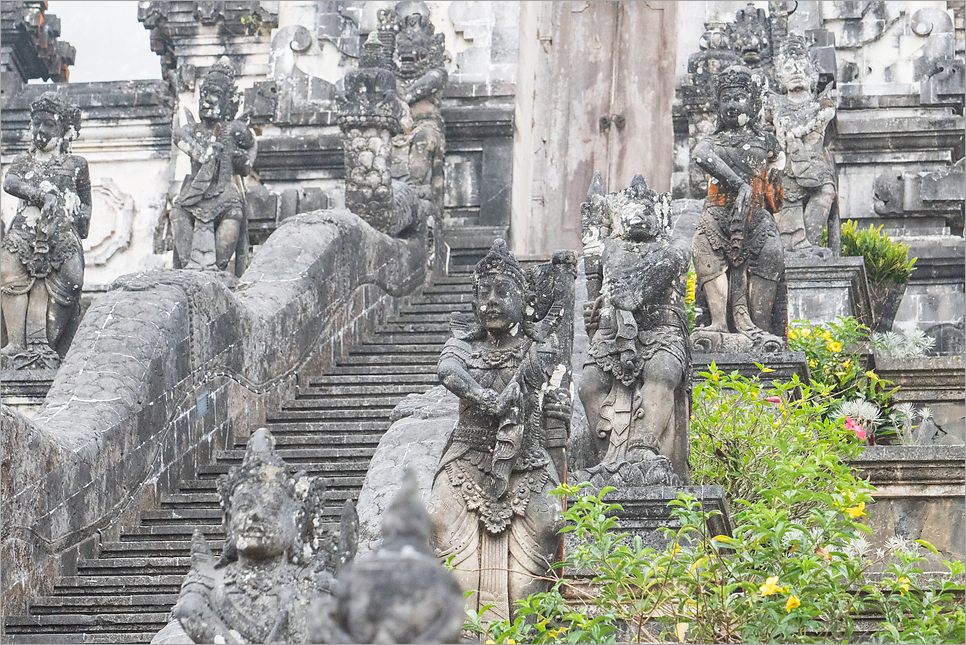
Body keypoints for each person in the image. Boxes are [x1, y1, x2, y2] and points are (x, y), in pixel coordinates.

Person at [427, 239, 570, 623]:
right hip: (467, 457)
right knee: (437, 517)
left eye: (502, 291)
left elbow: (551, 383)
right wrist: (482, 397)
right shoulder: (462, 345)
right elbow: (447, 372)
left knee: (550, 523)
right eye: (483, 292)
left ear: (524, 302)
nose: (490, 300)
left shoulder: (538, 348)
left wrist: (559, 412)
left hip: (526, 458)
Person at [578, 175, 690, 485]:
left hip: (661, 328)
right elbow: (602, 295)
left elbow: (662, 271)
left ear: (660, 216)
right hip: (612, 333)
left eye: (646, 209)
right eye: (630, 208)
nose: (638, 215)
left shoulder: (675, 246)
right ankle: (607, 458)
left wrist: (626, 297)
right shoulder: (610, 248)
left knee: (662, 372)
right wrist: (597, 313)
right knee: (589, 384)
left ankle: (644, 447)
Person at [691, 65, 786, 346]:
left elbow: (775, 195)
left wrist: (770, 181)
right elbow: (700, 155)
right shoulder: (711, 140)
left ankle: (760, 325)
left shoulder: (766, 141)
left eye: (739, 98)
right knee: (702, 246)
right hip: (717, 216)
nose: (732, 105)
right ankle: (718, 321)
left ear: (753, 103)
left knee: (771, 251)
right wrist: (739, 184)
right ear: (718, 105)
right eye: (726, 99)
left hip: (756, 219)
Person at [2, 92, 90, 369]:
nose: (40, 130)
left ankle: (49, 347)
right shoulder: (23, 162)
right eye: (36, 123)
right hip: (23, 233)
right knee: (9, 273)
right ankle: (16, 343)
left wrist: (78, 219)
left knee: (72, 280)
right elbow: (10, 183)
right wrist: (41, 196)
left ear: (62, 128)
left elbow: (86, 204)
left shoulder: (76, 165)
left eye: (48, 124)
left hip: (61, 236)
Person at [170, 57, 255, 276]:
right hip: (193, 195)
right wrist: (209, 150)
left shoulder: (234, 130)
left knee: (234, 213)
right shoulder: (188, 131)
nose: (208, 100)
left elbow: (248, 158)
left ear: (229, 101)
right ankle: (189, 269)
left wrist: (240, 158)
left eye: (216, 94)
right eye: (205, 94)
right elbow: (190, 147)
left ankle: (219, 270)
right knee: (178, 212)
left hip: (225, 194)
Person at [771, 34, 837, 254]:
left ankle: (812, 247)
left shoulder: (822, 104)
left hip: (817, 168)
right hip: (785, 170)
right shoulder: (773, 106)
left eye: (801, 66)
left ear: (812, 73)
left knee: (825, 192)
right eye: (789, 67)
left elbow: (825, 127)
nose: (796, 71)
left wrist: (794, 133)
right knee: (782, 193)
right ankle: (794, 248)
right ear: (780, 76)